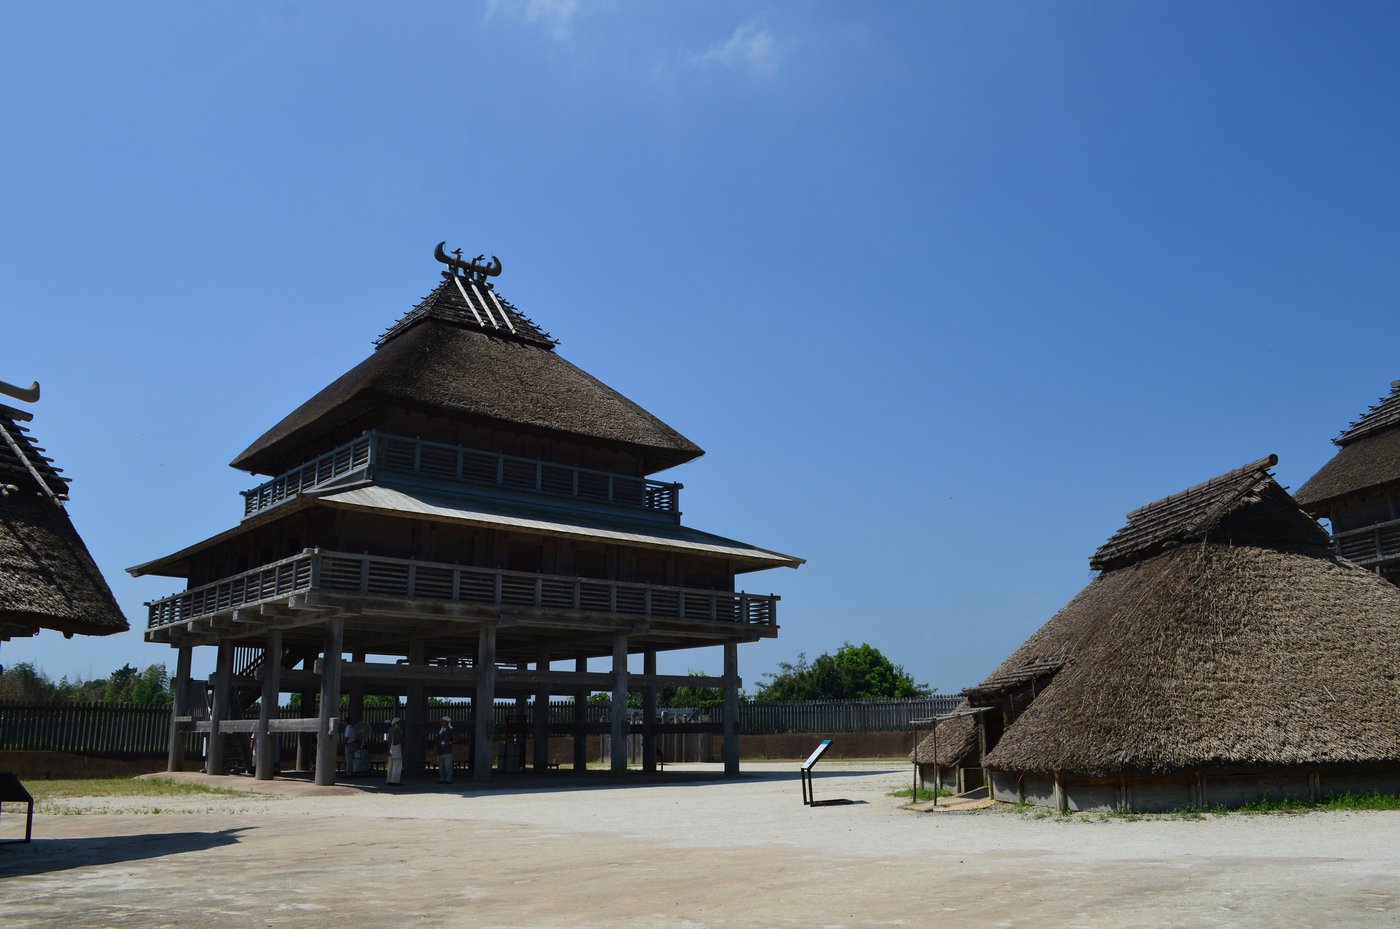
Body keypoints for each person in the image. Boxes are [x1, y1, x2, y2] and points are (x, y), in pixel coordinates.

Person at [386, 716, 404, 786]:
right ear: (397, 722)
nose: (401, 723)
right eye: (400, 722)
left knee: (390, 765)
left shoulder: (390, 729)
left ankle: (389, 780)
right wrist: (404, 739)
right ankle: (395, 781)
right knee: (397, 765)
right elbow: (398, 739)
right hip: (396, 748)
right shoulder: (398, 729)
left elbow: (387, 740)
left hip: (390, 749)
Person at [436, 714, 455, 784]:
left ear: (447, 722)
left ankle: (448, 779)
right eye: (441, 721)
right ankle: (442, 779)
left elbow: (455, 739)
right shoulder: (440, 730)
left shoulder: (451, 730)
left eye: (443, 721)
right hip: (440, 751)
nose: (441, 723)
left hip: (447, 751)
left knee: (447, 766)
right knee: (441, 766)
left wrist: (449, 743)